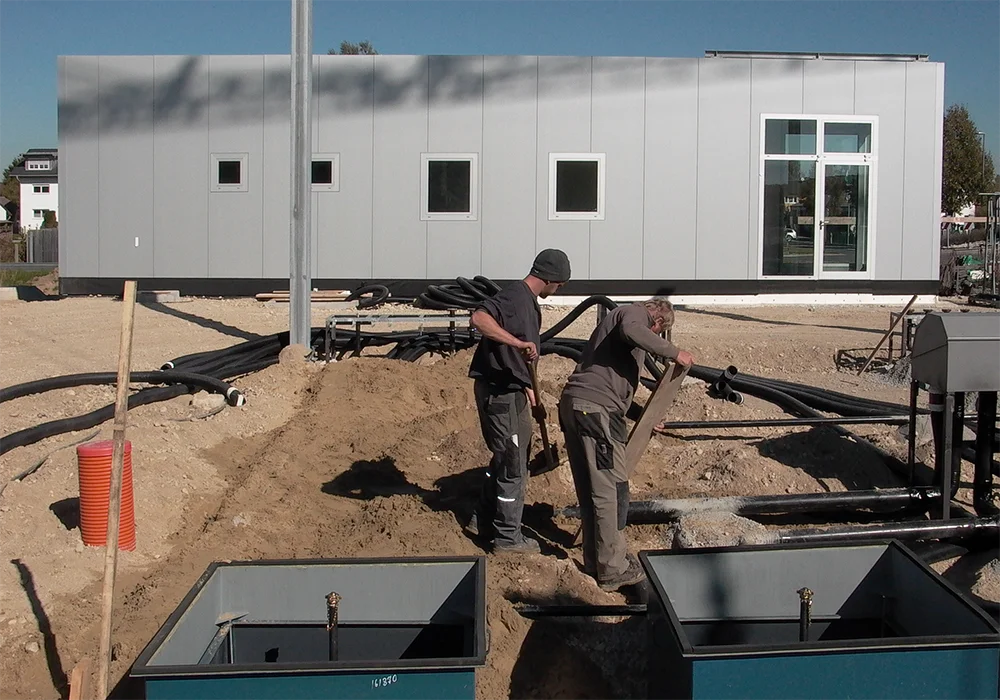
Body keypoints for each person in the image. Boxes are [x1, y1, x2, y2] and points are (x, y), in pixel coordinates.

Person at [558, 298, 694, 591]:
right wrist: (674, 352)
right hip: (595, 412)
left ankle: (598, 563)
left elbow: (612, 387)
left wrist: (644, 418)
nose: (654, 338)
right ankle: (613, 568)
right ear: (658, 321)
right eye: (657, 333)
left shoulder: (619, 325)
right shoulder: (634, 314)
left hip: (580, 406)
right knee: (611, 491)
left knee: (594, 489)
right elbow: (633, 330)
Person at [466, 249, 572, 553]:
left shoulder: (527, 303)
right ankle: (507, 537)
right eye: (560, 285)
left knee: (509, 459)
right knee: (513, 467)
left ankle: (483, 518)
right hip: (499, 395)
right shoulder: (514, 296)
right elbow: (478, 318)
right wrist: (517, 342)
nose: (559, 290)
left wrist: (531, 394)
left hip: (513, 391)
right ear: (551, 279)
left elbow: (517, 362)